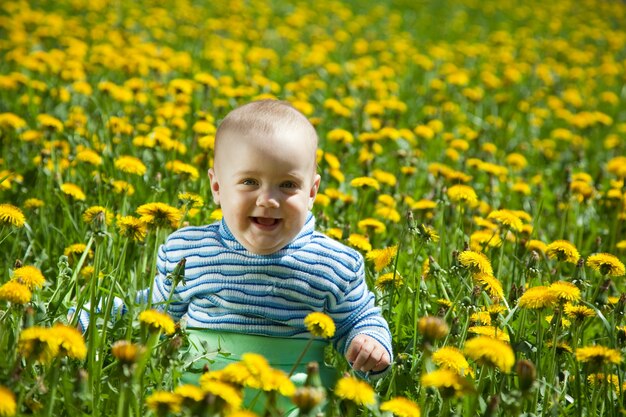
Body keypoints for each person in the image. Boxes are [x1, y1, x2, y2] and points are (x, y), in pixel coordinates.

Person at [75, 100, 392, 407]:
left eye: (287, 184)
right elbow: (149, 311)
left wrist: (370, 342)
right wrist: (87, 316)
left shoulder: (332, 263)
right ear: (217, 187)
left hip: (292, 405)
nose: (268, 199)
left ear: (312, 192)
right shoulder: (192, 252)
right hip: (201, 400)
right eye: (250, 181)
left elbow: (358, 319)